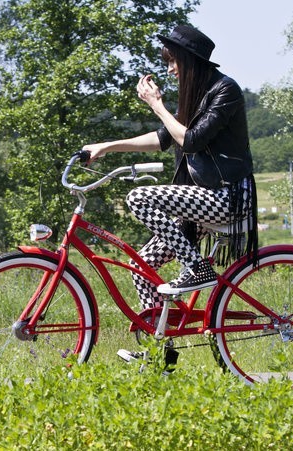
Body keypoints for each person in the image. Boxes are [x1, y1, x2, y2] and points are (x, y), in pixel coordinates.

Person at [83, 25, 257, 310]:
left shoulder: (225, 90)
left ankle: (196, 268)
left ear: (189, 60)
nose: (169, 70)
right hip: (204, 199)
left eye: (172, 61)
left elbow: (189, 141)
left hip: (229, 197)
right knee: (141, 267)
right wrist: (106, 146)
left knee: (138, 198)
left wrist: (157, 106)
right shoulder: (196, 95)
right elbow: (164, 138)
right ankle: (159, 349)